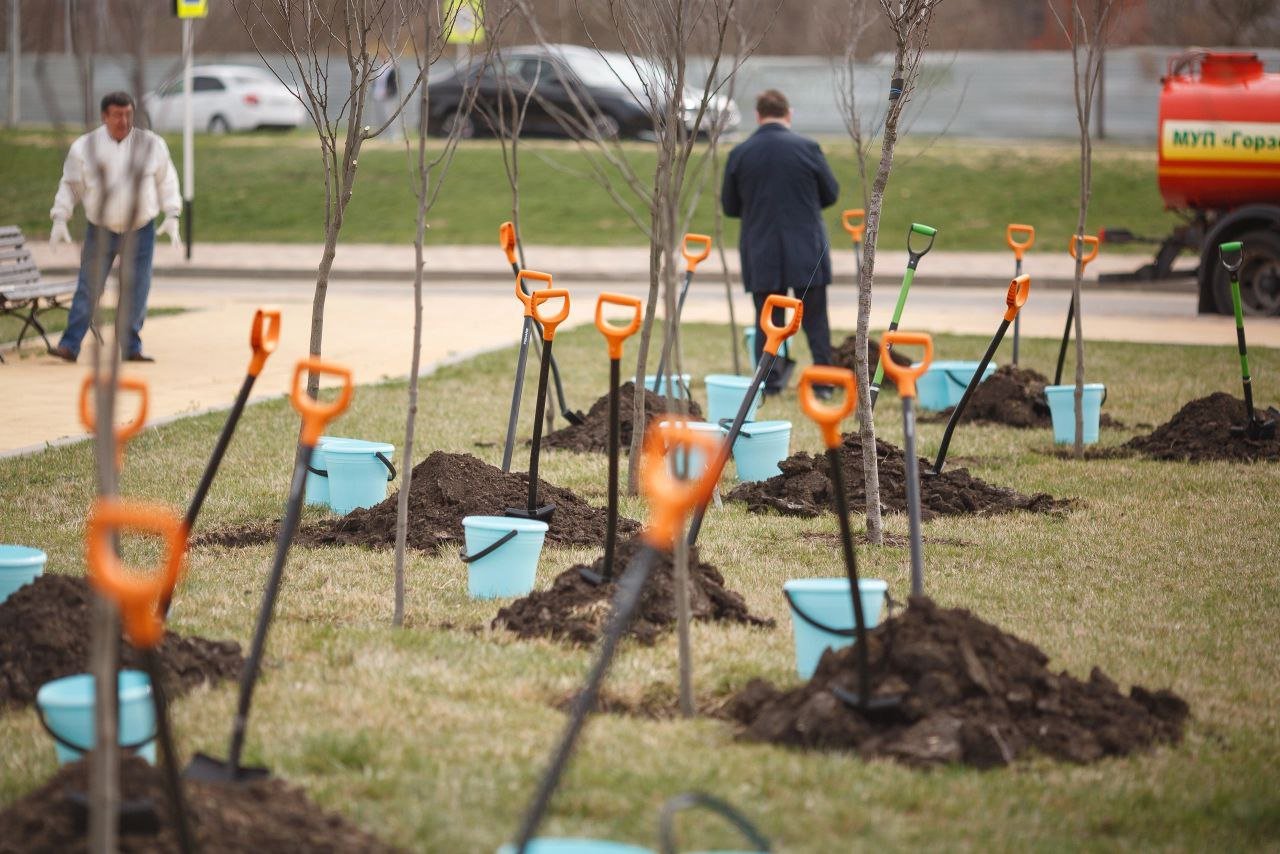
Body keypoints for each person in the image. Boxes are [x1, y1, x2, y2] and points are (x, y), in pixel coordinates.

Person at [721, 88, 839, 396]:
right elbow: (831, 194)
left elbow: (730, 207)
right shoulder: (808, 148)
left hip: (761, 249)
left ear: (758, 116)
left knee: (767, 321)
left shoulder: (740, 153)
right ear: (789, 114)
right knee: (815, 320)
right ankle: (824, 383)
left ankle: (769, 383)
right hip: (806, 248)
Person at [48, 91, 181, 363]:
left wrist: (172, 213)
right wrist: (61, 216)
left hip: (140, 229)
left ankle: (131, 347)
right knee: (89, 288)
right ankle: (69, 345)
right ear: (104, 116)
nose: (124, 120)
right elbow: (71, 185)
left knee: (136, 289)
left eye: (128, 114)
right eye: (117, 115)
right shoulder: (85, 148)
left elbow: (166, 180)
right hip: (100, 229)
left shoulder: (151, 145)